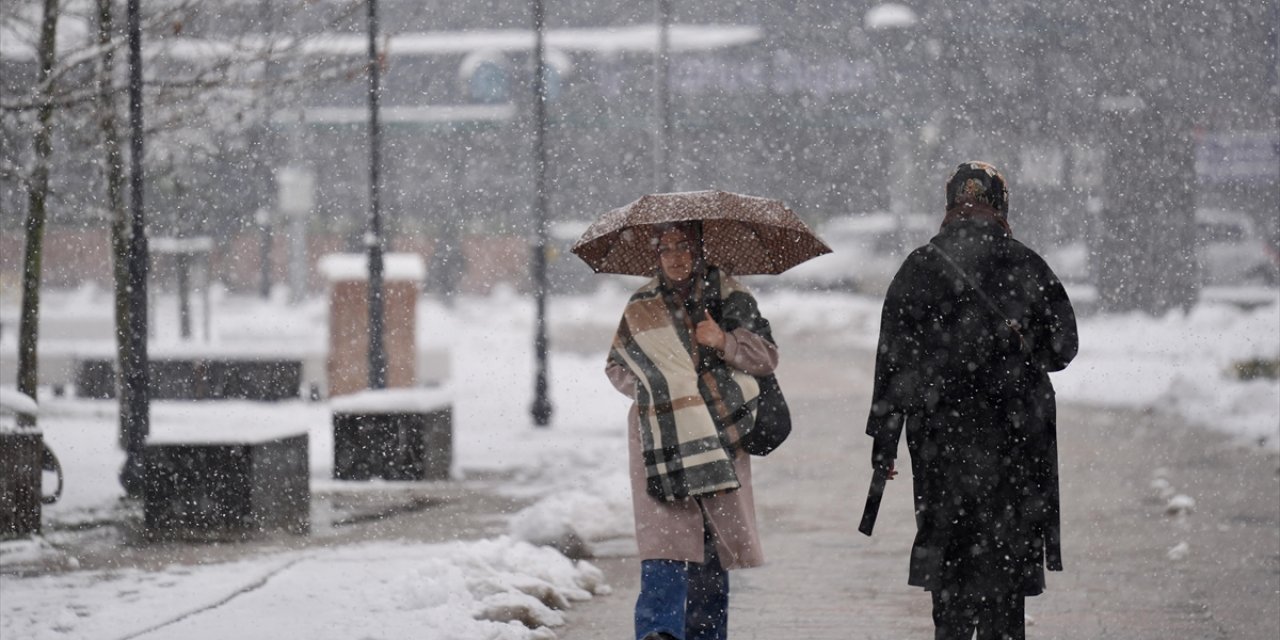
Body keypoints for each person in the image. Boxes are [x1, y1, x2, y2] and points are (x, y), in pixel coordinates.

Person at [863, 161, 1078, 640]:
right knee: (1005, 592)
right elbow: (1064, 349)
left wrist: (884, 442)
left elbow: (891, 362)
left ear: (949, 206)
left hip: (942, 451)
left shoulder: (919, 267)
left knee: (952, 584)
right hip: (1013, 450)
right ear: (1001, 206)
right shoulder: (1026, 264)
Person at [606, 222, 778, 640]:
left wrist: (722, 339)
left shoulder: (731, 295)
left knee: (709, 550)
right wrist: (656, 389)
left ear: (699, 249)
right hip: (659, 442)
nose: (675, 256)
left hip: (719, 437)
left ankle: (705, 634)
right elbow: (616, 366)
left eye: (683, 246)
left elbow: (767, 357)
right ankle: (658, 633)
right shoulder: (640, 305)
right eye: (665, 249)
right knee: (664, 547)